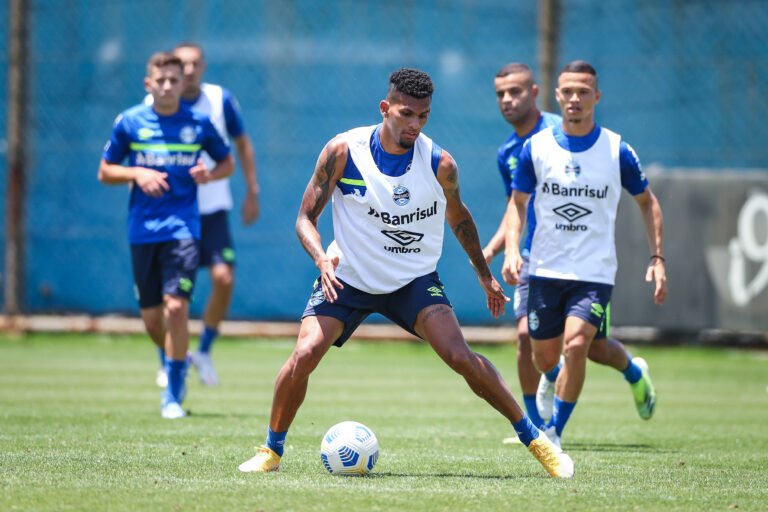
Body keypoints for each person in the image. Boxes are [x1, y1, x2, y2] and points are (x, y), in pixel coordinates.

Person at [238, 68, 573, 478]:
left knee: (460, 356)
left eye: (423, 116)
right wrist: (321, 259)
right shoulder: (343, 152)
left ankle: (535, 439)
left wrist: (484, 275)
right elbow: (305, 218)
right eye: (406, 114)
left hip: (412, 280)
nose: (415, 124)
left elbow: (460, 218)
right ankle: (271, 451)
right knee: (304, 354)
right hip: (348, 276)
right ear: (385, 108)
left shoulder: (440, 164)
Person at [483, 63, 660, 444]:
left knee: (585, 346)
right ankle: (539, 418)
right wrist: (503, 249)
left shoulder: (577, 135)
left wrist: (657, 257)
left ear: (536, 92)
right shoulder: (514, 151)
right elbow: (516, 207)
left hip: (589, 267)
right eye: (500, 94)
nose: (507, 100)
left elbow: (646, 200)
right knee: (532, 345)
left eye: (515, 91)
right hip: (538, 260)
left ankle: (561, 421)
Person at [99, 51, 234, 418]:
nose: (169, 86)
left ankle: (172, 395)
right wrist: (136, 174)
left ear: (183, 83)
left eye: (175, 80)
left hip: (184, 229)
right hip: (142, 231)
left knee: (176, 307)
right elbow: (105, 170)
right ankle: (180, 355)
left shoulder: (199, 123)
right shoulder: (130, 123)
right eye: (162, 80)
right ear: (149, 84)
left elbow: (227, 162)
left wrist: (211, 175)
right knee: (152, 319)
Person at [149, 42, 261, 388]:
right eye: (182, 63)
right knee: (166, 298)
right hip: (170, 213)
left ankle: (205, 350)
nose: (188, 69)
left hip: (211, 211)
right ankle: (168, 361)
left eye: (195, 63)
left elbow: (241, 144)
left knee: (224, 278)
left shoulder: (219, 100)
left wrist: (252, 190)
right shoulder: (153, 105)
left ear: (203, 66)